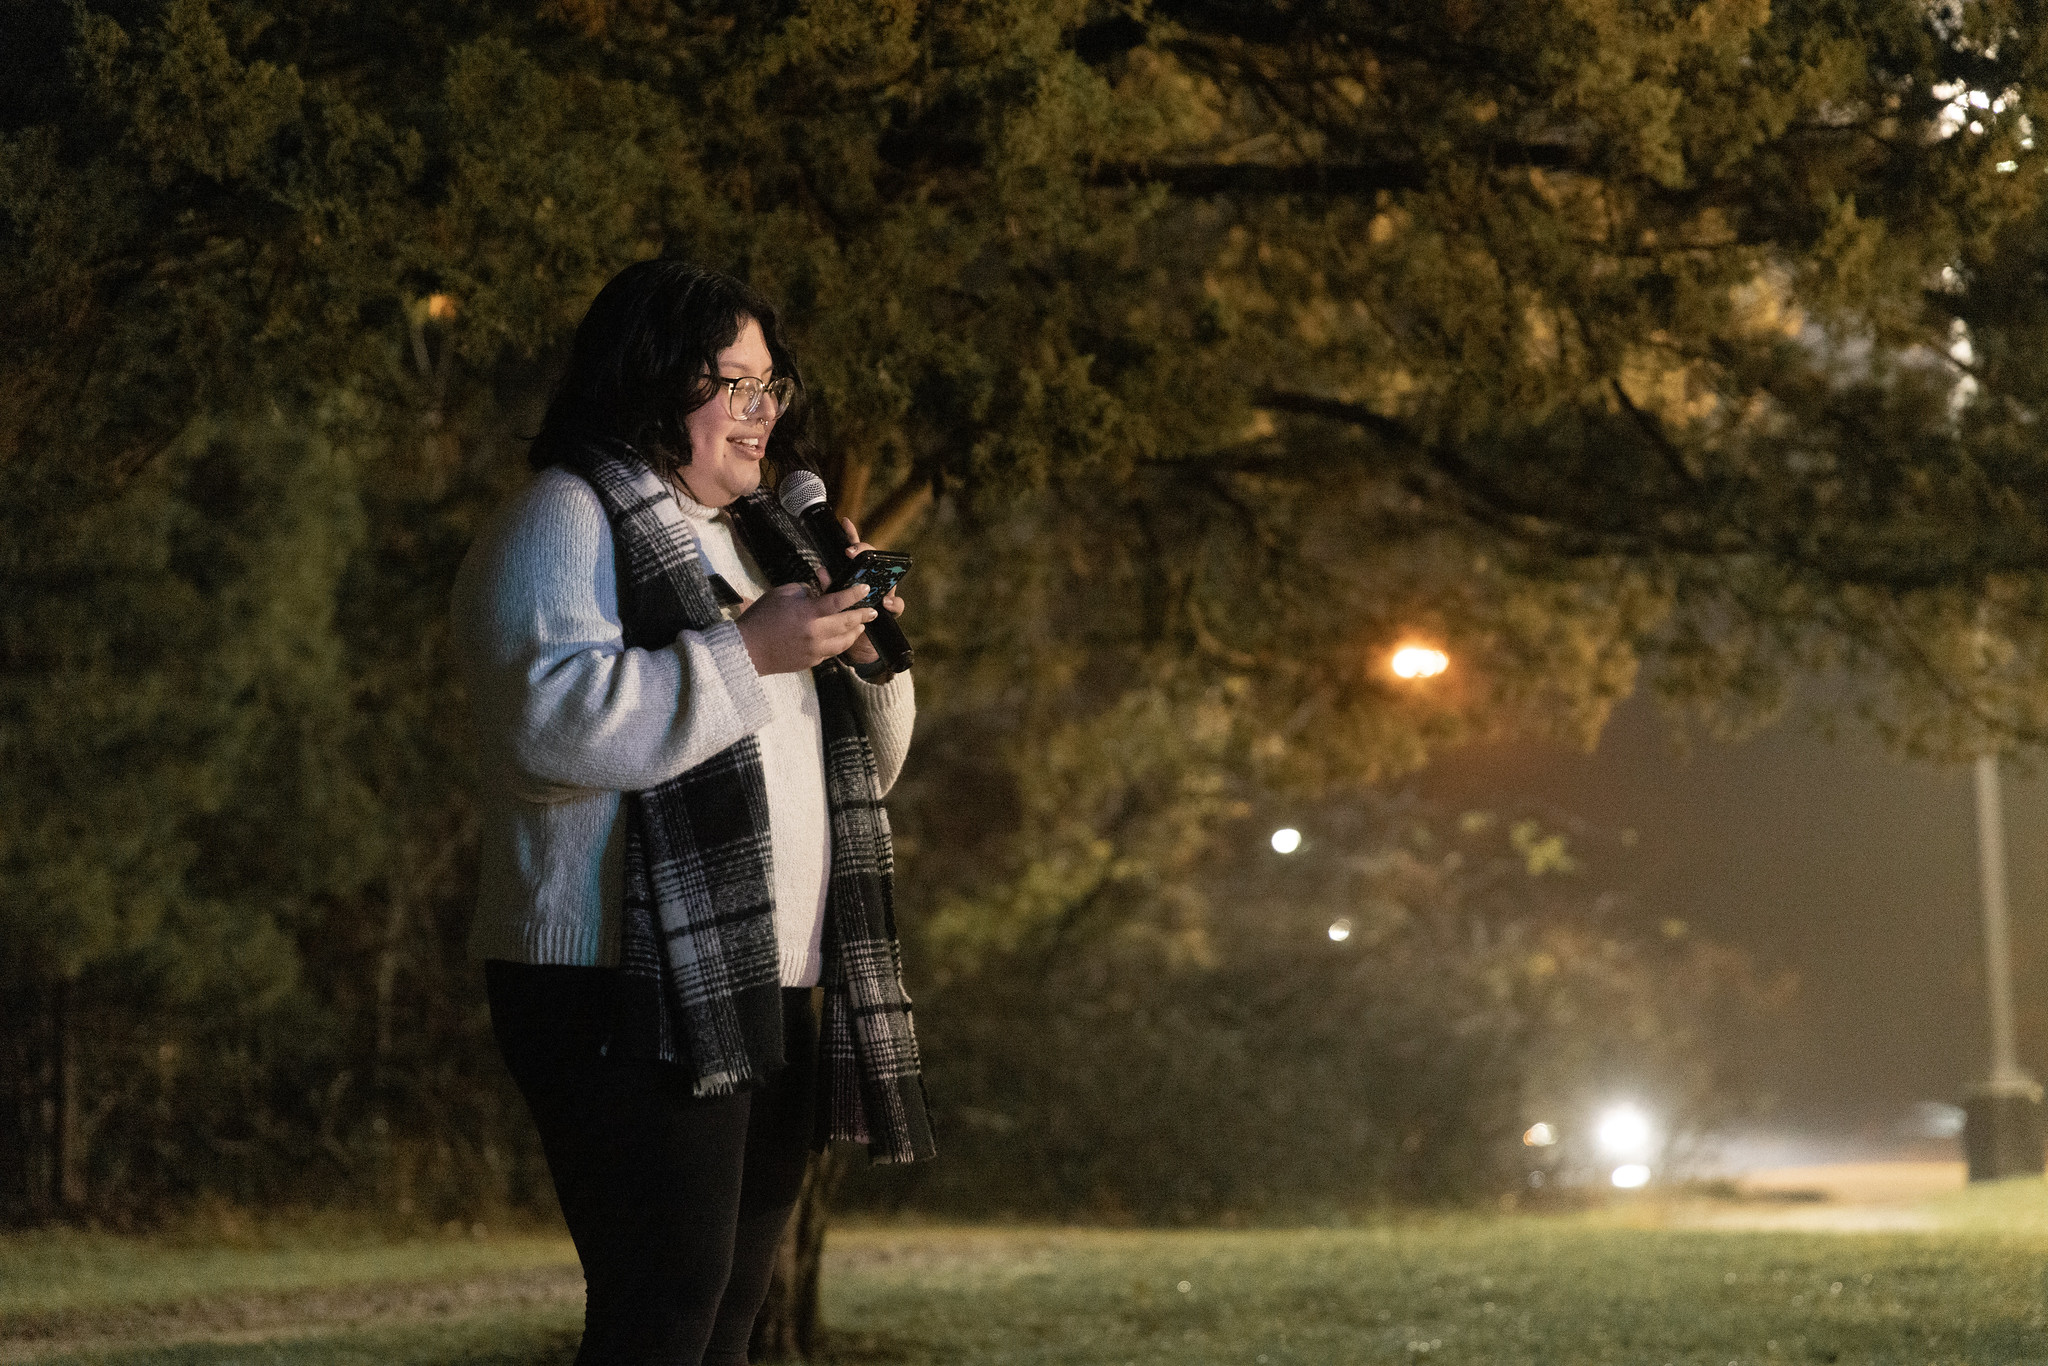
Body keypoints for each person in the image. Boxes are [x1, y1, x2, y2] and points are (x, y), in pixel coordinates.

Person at [451, 259, 934, 1366]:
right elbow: (543, 729)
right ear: (651, 378)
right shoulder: (563, 517)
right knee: (660, 1313)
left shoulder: (757, 541)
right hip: (614, 981)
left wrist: (861, 656)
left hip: (761, 976)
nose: (765, 414)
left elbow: (857, 767)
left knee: (720, 1320)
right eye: (736, 384)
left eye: (774, 386)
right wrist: (751, 649)